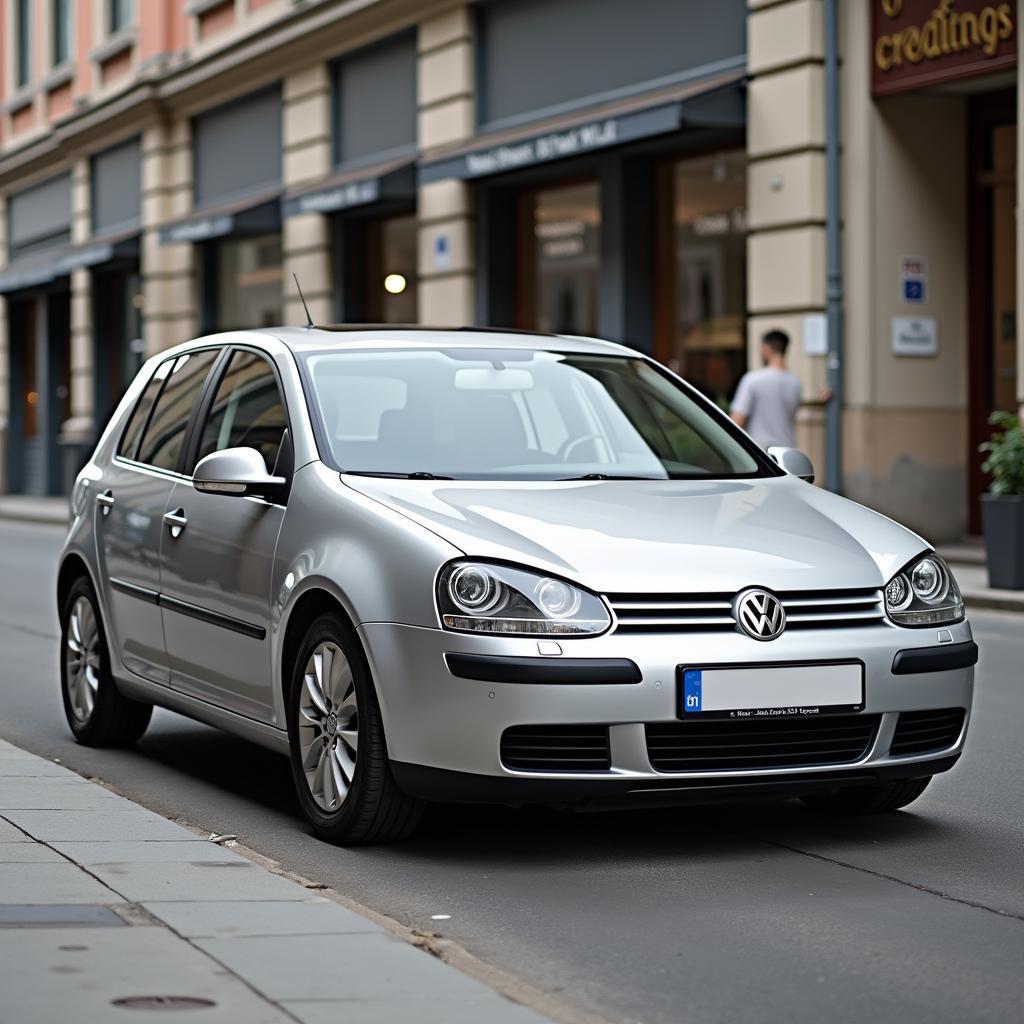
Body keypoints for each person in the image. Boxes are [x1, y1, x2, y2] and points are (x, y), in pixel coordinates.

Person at [730, 329, 804, 449]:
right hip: (787, 453)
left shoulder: (752, 379)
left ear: (766, 348)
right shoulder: (795, 383)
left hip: (760, 454)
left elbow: (736, 422)